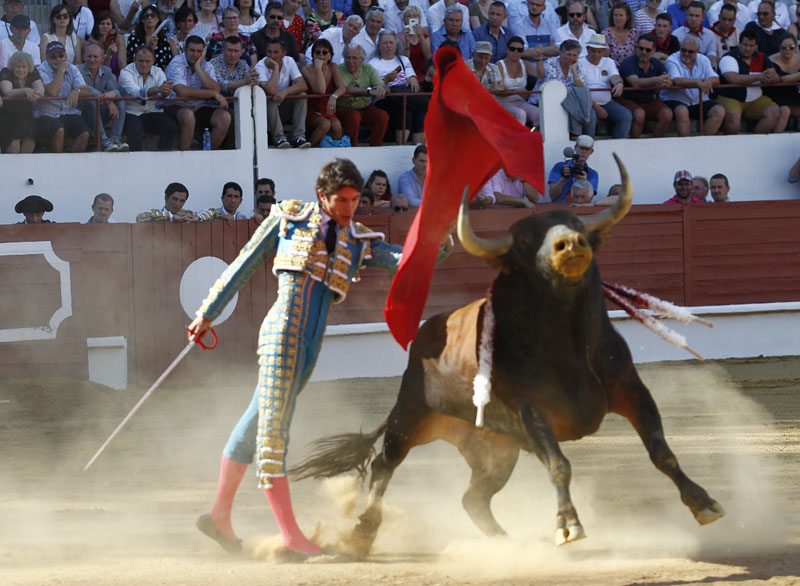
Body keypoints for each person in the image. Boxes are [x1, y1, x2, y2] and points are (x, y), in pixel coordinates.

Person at [188, 158, 454, 556]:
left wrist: (440, 238)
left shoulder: (359, 240)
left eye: (354, 200)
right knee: (274, 431)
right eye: (341, 200)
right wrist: (207, 313)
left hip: (309, 348)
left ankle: (219, 516)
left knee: (256, 421)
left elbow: (407, 262)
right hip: (282, 335)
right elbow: (242, 266)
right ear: (321, 196)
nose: (349, 207)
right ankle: (291, 535)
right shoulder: (288, 218)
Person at [164, 35, 232, 150]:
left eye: (199, 51)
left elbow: (216, 89)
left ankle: (209, 155)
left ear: (203, 52)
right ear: (185, 49)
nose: (195, 54)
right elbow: (182, 91)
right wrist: (212, 94)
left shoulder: (206, 65)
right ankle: (184, 157)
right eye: (192, 50)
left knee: (224, 117)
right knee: (188, 115)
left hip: (199, 107)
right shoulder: (177, 62)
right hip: (175, 106)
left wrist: (198, 68)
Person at [716, 29, 787, 135]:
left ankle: (756, 144)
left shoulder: (762, 57)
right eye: (745, 45)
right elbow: (733, 79)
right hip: (730, 98)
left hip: (755, 99)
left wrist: (771, 77)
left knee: (774, 111)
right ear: (739, 44)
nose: (747, 48)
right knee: (733, 117)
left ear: (756, 46)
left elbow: (776, 77)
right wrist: (759, 77)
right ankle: (731, 147)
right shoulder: (729, 57)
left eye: (751, 45)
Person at [369, 30, 426, 145]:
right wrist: (386, 81)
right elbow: (375, 89)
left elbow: (412, 78)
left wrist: (412, 78)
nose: (388, 46)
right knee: (406, 113)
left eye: (391, 42)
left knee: (421, 112)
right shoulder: (372, 64)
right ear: (379, 45)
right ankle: (402, 145)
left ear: (396, 44)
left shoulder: (403, 60)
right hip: (385, 100)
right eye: (385, 43)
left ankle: (418, 148)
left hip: (404, 98)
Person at [660, 35, 725, 136]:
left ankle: (702, 144)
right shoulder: (672, 59)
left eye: (690, 51)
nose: (686, 54)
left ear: (697, 51)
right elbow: (677, 80)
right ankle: (685, 146)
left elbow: (716, 79)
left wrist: (709, 81)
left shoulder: (703, 59)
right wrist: (698, 82)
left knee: (719, 111)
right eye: (683, 50)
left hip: (699, 100)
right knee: (682, 111)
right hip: (676, 99)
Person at [35, 40, 91, 153]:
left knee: (84, 133)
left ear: (65, 55)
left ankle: (71, 166)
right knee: (59, 130)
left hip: (68, 112)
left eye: (61, 55)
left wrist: (77, 91)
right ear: (47, 58)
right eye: (53, 57)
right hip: (45, 115)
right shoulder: (41, 70)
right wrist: (60, 71)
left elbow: (87, 91)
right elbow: (53, 91)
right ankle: (57, 165)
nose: (58, 59)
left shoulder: (72, 68)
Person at [119, 46, 177, 151]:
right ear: (134, 60)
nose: (144, 65)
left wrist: (165, 91)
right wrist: (158, 89)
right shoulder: (125, 72)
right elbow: (136, 92)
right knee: (135, 129)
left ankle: (162, 158)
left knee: (171, 127)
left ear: (153, 61)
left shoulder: (158, 72)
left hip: (151, 112)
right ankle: (135, 160)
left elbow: (165, 95)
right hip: (131, 113)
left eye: (147, 61)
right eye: (140, 61)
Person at [256, 38, 311, 148]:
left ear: (283, 53)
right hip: (265, 113)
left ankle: (299, 137)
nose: (271, 56)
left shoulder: (289, 60)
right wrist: (276, 68)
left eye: (276, 52)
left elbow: (302, 85)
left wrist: (285, 92)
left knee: (302, 95)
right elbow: (271, 90)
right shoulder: (260, 66)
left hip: (283, 108)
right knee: (271, 98)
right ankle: (279, 138)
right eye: (269, 52)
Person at [618, 33, 673, 138]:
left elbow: (666, 79)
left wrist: (667, 82)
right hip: (628, 100)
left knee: (667, 114)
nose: (644, 52)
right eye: (641, 49)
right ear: (636, 48)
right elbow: (635, 82)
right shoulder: (628, 62)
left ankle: (656, 144)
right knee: (639, 114)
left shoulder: (657, 64)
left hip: (648, 100)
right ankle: (636, 145)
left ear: (654, 51)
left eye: (647, 50)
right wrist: (658, 79)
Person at [578, 33, 632, 138]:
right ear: (587, 49)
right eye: (593, 51)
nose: (596, 55)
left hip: (607, 102)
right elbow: (581, 90)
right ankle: (588, 146)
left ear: (604, 51)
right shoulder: (579, 63)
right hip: (587, 103)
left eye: (599, 51)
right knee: (591, 117)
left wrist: (619, 83)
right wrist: (596, 106)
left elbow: (615, 76)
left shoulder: (608, 61)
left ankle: (619, 146)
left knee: (625, 115)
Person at [79, 42, 128, 152]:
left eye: (96, 57)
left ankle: (115, 139)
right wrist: (107, 100)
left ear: (102, 58)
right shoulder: (77, 70)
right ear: (83, 57)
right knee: (91, 101)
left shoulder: (107, 71)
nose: (92, 60)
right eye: (89, 56)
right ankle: (103, 140)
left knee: (120, 100)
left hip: (99, 111)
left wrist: (112, 94)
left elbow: (115, 90)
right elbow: (85, 89)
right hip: (82, 114)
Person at [337, 43, 389, 146]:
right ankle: (353, 148)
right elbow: (346, 88)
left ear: (362, 59)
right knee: (354, 116)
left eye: (354, 58)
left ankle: (375, 147)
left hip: (364, 107)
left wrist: (380, 88)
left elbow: (380, 84)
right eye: (348, 58)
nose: (351, 62)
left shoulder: (368, 68)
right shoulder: (339, 69)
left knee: (383, 116)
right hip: (344, 107)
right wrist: (369, 91)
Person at [302, 37, 346, 147]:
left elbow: (342, 88)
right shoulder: (306, 69)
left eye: (325, 52)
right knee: (325, 124)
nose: (321, 55)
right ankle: (309, 150)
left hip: (328, 106)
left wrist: (334, 96)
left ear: (330, 55)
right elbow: (320, 90)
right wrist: (318, 68)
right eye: (317, 52)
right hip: (312, 109)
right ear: (312, 55)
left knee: (337, 125)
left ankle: (334, 153)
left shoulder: (333, 67)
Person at [0, 50, 43, 153]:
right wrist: (26, 90)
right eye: (17, 67)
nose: (21, 70)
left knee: (30, 140)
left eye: (24, 67)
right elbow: (8, 92)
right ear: (12, 66)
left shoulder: (33, 72)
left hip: (26, 115)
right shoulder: (6, 72)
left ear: (29, 68)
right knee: (14, 143)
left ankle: (25, 168)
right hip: (7, 116)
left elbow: (41, 90)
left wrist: (36, 93)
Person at [497, 35, 540, 126]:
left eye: (519, 50)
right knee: (520, 114)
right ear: (507, 49)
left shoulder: (525, 63)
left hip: (520, 102)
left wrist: (538, 58)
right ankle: (519, 139)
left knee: (539, 114)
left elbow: (540, 75)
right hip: (502, 102)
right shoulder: (500, 65)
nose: (516, 52)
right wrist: (517, 92)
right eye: (512, 49)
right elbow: (498, 92)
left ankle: (535, 138)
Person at [548, 134, 598, 203]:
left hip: (580, 209)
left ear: (591, 151)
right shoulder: (560, 167)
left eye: (587, 149)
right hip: (559, 209)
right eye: (581, 148)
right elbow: (552, 195)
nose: (583, 152)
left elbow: (589, 200)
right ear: (575, 148)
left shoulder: (592, 174)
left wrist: (584, 182)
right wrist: (563, 179)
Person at [136, 182, 217, 222]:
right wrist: (171, 217)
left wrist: (199, 217)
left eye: (182, 201)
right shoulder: (156, 213)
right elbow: (140, 218)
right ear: (166, 197)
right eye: (175, 199)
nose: (178, 204)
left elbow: (214, 212)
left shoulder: (187, 214)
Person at [126, 4, 173, 71]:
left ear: (158, 19)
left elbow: (168, 63)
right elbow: (132, 60)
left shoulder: (163, 39)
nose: (149, 18)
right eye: (146, 16)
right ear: (142, 20)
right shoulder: (134, 38)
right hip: (137, 73)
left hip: (159, 75)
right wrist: (149, 47)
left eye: (153, 15)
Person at [673, 2, 718, 68]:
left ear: (703, 17)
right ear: (686, 15)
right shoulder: (676, 34)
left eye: (697, 16)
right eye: (691, 15)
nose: (693, 19)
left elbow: (711, 55)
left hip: (704, 68)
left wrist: (713, 67)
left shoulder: (710, 35)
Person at [765, 32, 800, 118]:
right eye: (784, 47)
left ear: (796, 47)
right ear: (779, 47)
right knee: (785, 110)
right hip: (777, 96)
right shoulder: (770, 60)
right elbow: (781, 79)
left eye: (791, 47)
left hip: (796, 95)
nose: (787, 49)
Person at [511, 0, 557, 64]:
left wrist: (536, 51)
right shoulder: (518, 26)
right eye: (532, 4)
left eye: (538, 5)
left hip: (549, 68)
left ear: (544, 8)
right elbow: (523, 52)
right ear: (527, 5)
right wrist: (548, 52)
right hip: (528, 68)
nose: (534, 7)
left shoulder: (550, 25)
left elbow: (558, 49)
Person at [473, 167, 538, 207]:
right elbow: (498, 197)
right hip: (499, 215)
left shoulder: (524, 176)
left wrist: (523, 180)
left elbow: (535, 199)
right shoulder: (496, 174)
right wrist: (523, 201)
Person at [602, 2, 639, 68]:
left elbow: (637, 55)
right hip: (613, 69)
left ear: (627, 17)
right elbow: (605, 59)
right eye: (615, 15)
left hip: (631, 68)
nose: (618, 18)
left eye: (621, 15)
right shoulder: (606, 34)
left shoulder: (634, 33)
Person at [397, 5, 431, 77]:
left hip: (423, 74)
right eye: (408, 16)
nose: (412, 18)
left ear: (419, 19)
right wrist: (407, 42)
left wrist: (421, 37)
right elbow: (404, 61)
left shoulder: (426, 37)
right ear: (404, 20)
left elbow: (428, 56)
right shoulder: (398, 37)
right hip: (406, 75)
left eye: (415, 16)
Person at [89, 12, 126, 78]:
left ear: (112, 27)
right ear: (96, 25)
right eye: (102, 23)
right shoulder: (90, 43)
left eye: (108, 24)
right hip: (97, 77)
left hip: (117, 76)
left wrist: (125, 78)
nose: (105, 26)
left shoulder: (118, 38)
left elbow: (122, 62)